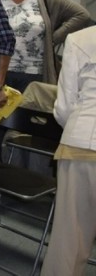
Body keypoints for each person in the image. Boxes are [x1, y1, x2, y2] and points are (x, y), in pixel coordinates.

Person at [41, 25, 96, 275]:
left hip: (80, 142)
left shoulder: (80, 39)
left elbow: (64, 107)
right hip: (81, 141)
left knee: (69, 239)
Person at [0, 0, 91, 91]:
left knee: (26, 112)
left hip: (34, 73)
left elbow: (82, 15)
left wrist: (53, 38)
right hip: (0, 72)